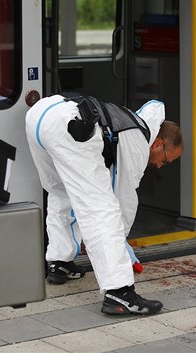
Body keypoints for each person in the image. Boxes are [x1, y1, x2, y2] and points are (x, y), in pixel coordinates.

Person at [25, 94, 183, 315]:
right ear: (158, 144)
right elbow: (123, 204)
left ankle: (60, 262)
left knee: (61, 193)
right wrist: (122, 249)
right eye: (165, 160)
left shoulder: (131, 121)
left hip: (40, 116)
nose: (159, 166)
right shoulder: (137, 141)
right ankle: (119, 292)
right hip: (70, 130)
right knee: (102, 210)